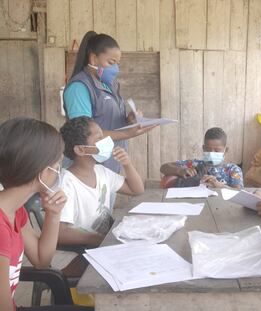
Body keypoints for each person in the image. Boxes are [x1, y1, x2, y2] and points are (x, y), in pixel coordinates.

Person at [64, 31, 156, 174]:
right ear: (93, 59)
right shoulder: (79, 88)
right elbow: (82, 135)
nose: (115, 69)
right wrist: (128, 134)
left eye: (117, 64)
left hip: (109, 165)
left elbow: (108, 121)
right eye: (111, 62)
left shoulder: (109, 85)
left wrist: (128, 120)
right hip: (88, 168)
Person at [0, 118, 68, 311]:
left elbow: (41, 260)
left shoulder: (15, 209)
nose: (58, 171)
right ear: (43, 172)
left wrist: (53, 214)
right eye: (58, 164)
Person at [58, 117, 145, 248]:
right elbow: (60, 233)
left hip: (106, 241)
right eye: (99, 139)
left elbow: (136, 189)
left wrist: (127, 164)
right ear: (81, 150)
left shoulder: (101, 171)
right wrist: (102, 240)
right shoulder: (66, 184)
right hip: (88, 249)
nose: (106, 141)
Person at [160, 127, 243, 189]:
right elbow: (164, 167)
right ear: (203, 148)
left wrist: (220, 186)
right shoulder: (194, 165)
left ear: (226, 150)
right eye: (208, 150)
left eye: (217, 151)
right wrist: (181, 170)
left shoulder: (232, 170)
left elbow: (239, 193)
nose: (212, 154)